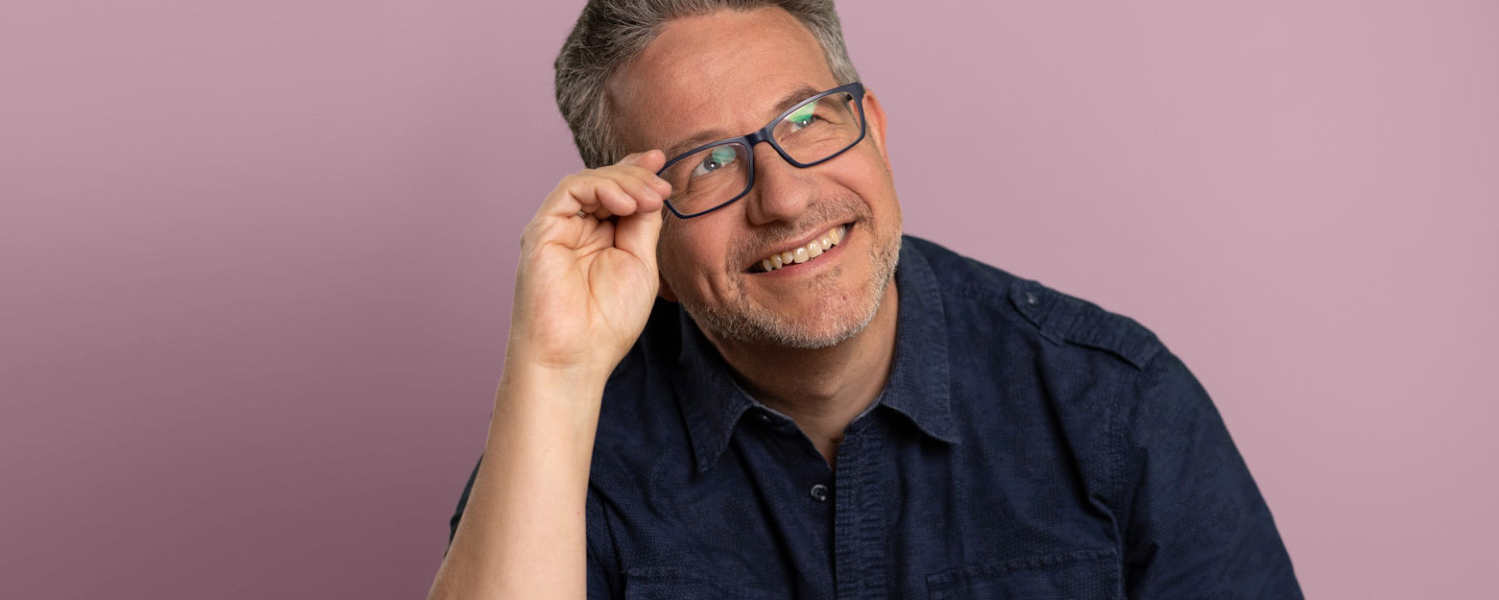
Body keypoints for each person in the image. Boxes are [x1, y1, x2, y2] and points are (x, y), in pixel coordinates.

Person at [426, 1, 1301, 598]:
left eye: (807, 120)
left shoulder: (1118, 405)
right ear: (637, 219)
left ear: (873, 130)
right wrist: (554, 365)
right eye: (709, 163)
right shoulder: (574, 444)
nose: (787, 198)